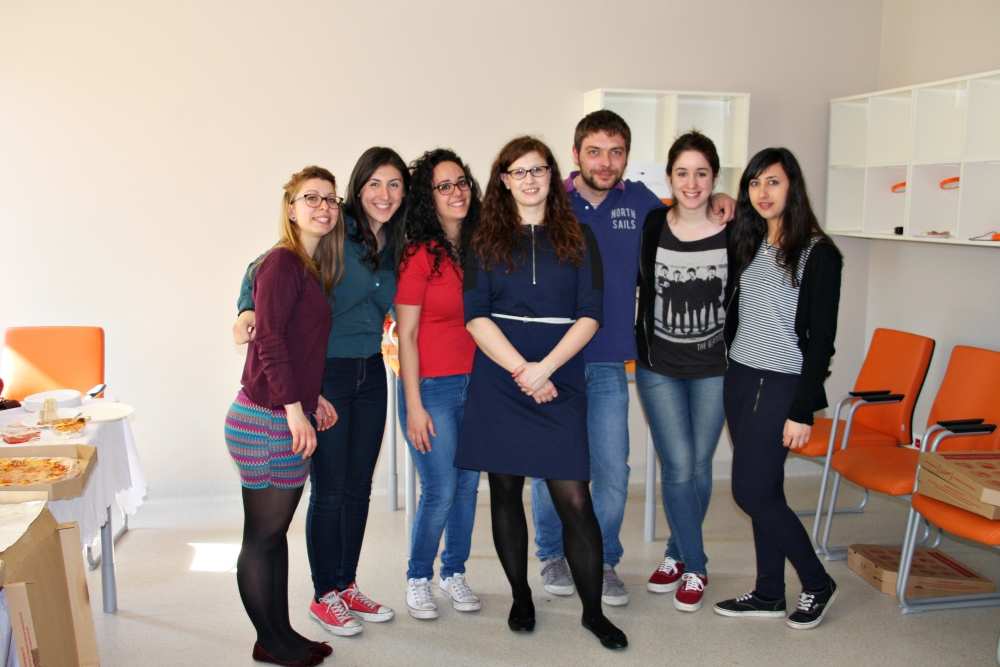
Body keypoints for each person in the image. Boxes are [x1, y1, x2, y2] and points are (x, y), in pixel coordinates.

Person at [530, 110, 735, 606]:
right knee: (548, 463)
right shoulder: (550, 200)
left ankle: (603, 561)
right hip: (552, 361)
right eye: (594, 151)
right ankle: (553, 554)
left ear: (627, 156)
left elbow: (689, 209)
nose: (605, 162)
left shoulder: (643, 204)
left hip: (608, 362)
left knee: (613, 471)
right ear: (576, 153)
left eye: (616, 151)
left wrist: (725, 198)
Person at [455, 136, 627, 650]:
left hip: (560, 375)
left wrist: (544, 369)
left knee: (574, 498)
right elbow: (475, 316)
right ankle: (520, 596)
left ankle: (593, 613)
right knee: (505, 491)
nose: (530, 179)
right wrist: (521, 370)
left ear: (553, 175)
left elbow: (591, 313)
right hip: (500, 376)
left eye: (539, 170)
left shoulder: (580, 236)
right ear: (504, 181)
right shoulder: (483, 240)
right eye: (519, 171)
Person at [233, 148, 409, 637]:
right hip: (326, 372)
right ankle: (324, 594)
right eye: (374, 184)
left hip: (371, 370)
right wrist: (246, 308)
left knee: (359, 488)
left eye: (395, 185)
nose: (384, 195)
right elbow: (263, 267)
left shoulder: (398, 240)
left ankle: (347, 584)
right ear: (358, 188)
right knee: (330, 491)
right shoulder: (336, 225)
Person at [713, 147, 843, 630]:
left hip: (782, 381)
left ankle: (817, 582)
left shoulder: (818, 253)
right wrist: (723, 198)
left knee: (750, 492)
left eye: (773, 182)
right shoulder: (747, 240)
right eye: (754, 183)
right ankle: (769, 592)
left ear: (793, 186)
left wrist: (803, 410)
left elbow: (822, 341)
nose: (762, 192)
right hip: (740, 376)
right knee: (766, 489)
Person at [225, 165, 344, 666]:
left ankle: (278, 633)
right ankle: (270, 641)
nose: (323, 207)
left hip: (280, 414)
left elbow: (296, 346)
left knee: (274, 538)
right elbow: (270, 341)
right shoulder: (281, 261)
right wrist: (296, 412)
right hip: (266, 421)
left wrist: (311, 399)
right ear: (291, 208)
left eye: (331, 199)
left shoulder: (307, 267)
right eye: (311, 197)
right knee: (262, 538)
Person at [635, 132, 732, 613]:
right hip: (660, 366)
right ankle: (697, 565)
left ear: (715, 177)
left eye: (702, 173)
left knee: (698, 465)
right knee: (676, 464)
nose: (692, 183)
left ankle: (677, 554)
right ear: (669, 177)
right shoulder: (653, 222)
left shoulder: (736, 227)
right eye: (682, 173)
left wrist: (734, 202)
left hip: (716, 367)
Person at [395, 149, 482, 619]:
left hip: (476, 385)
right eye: (444, 185)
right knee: (441, 489)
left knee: (467, 488)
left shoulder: (479, 247)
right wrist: (413, 405)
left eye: (461, 181)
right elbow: (406, 334)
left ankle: (454, 572)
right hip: (431, 388)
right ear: (429, 198)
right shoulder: (418, 255)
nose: (457, 191)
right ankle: (418, 577)